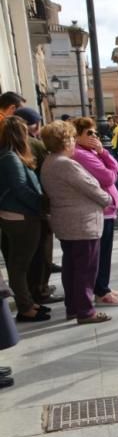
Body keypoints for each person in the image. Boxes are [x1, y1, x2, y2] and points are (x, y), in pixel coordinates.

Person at [39, 120, 113, 324]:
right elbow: (92, 187)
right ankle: (85, 310)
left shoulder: (49, 161)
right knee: (85, 270)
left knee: (72, 267)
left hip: (67, 222)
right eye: (71, 138)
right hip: (81, 223)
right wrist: (107, 199)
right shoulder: (65, 164)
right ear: (65, 141)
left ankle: (73, 307)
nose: (73, 142)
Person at [72, 118, 118, 307]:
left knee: (105, 252)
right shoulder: (81, 154)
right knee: (101, 253)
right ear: (77, 136)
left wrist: (103, 152)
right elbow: (108, 176)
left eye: (95, 133)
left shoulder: (92, 151)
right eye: (89, 133)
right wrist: (107, 165)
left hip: (107, 210)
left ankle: (104, 286)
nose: (94, 136)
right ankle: (101, 291)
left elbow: (117, 168)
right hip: (100, 210)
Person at [0, 116, 47, 321]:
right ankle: (25, 307)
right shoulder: (11, 157)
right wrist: (40, 205)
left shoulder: (9, 154)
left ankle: (28, 303)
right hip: (21, 216)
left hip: (17, 214)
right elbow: (20, 188)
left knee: (19, 264)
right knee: (19, 266)